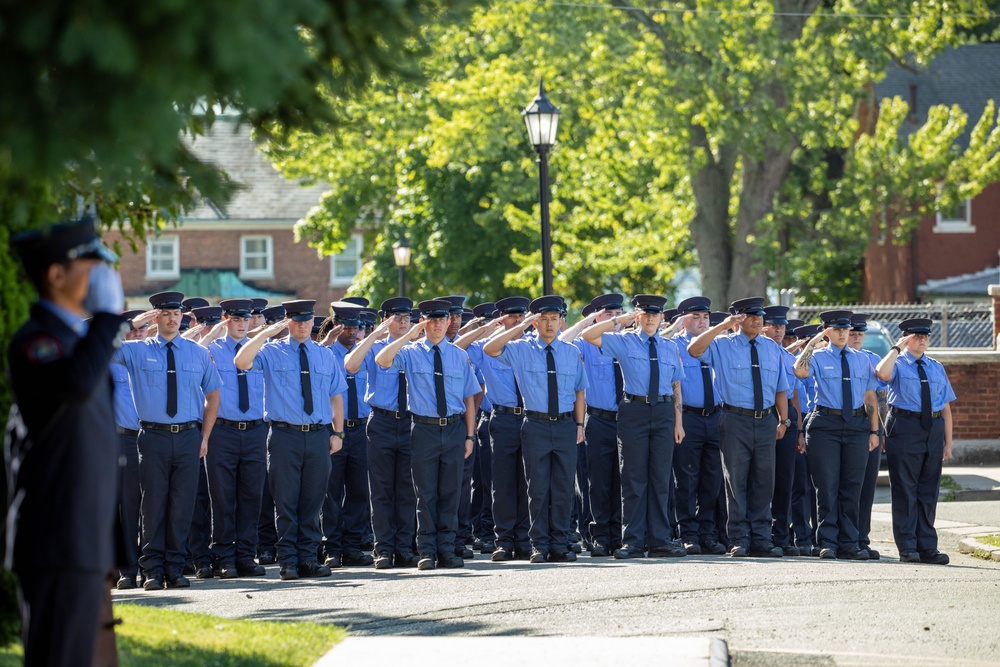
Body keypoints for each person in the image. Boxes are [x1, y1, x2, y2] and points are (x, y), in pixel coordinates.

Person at [6, 218, 126, 665]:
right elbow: (75, 385)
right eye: (91, 265)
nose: (103, 275)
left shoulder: (75, 342)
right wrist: (109, 321)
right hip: (57, 536)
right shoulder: (38, 341)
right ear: (57, 275)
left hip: (82, 537)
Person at [112, 291, 222, 589]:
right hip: (152, 437)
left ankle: (175, 568)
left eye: (177, 314)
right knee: (153, 505)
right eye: (165, 314)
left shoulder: (197, 352)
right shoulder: (135, 350)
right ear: (155, 317)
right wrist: (134, 321)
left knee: (181, 505)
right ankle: (152, 570)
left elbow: (213, 395)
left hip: (188, 436)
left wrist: (205, 437)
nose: (172, 319)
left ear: (182, 317)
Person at [235, 300, 346, 580]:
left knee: (312, 501)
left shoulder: (324, 355)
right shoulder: (271, 351)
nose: (302, 325)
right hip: (284, 435)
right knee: (285, 502)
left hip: (319, 435)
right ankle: (288, 561)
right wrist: (264, 333)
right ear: (287, 322)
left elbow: (336, 395)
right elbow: (241, 361)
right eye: (296, 320)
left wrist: (338, 432)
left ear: (313, 322)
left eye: (306, 320)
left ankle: (308, 558)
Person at [375, 299, 479, 570]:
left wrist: (469, 436)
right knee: (425, 493)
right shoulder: (410, 352)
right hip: (424, 428)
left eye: (441, 320)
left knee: (450, 492)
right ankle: (426, 551)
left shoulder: (458, 354)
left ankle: (446, 549)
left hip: (454, 428)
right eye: (430, 321)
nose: (436, 325)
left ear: (447, 322)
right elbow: (382, 360)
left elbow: (469, 397)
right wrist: (409, 336)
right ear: (424, 323)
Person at [484, 295, 588, 564]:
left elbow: (579, 391)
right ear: (535, 322)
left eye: (554, 319)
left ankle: (560, 543)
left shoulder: (570, 351)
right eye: (544, 319)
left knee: (564, 488)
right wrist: (521, 326)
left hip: (565, 424)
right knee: (538, 488)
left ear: (562, 321)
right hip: (536, 425)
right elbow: (490, 349)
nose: (550, 324)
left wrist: (579, 425)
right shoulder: (521, 348)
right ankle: (539, 545)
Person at [581, 294, 685, 559]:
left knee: (660, 479)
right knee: (634, 478)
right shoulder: (624, 340)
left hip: (663, 411)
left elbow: (676, 386)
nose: (650, 319)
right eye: (645, 314)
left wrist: (679, 422)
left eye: (655, 314)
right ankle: (633, 541)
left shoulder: (670, 347)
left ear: (662, 318)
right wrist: (619, 319)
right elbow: (589, 336)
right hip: (634, 410)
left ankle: (660, 540)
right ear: (638, 316)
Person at [688, 297, 789, 558]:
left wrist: (783, 420)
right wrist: (721, 327)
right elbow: (694, 350)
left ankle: (762, 538)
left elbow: (780, 387)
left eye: (760, 317)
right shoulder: (723, 344)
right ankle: (740, 538)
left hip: (766, 420)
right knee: (736, 481)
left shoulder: (771, 347)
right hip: (735, 419)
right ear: (739, 319)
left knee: (764, 481)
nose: (757, 320)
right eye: (751, 316)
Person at [794, 310, 879, 560]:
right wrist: (811, 342)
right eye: (837, 329)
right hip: (825, 424)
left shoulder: (862, 359)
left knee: (852, 486)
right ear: (827, 331)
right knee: (826, 486)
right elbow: (799, 371)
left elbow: (869, 396)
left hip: (856, 425)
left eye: (846, 329)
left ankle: (850, 542)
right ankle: (827, 542)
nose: (843, 333)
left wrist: (874, 430)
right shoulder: (818, 356)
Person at [345, 297, 419, 569]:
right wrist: (375, 334)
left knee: (407, 490)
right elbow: (350, 367)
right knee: (381, 490)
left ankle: (404, 547)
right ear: (385, 320)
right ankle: (384, 549)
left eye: (406, 318)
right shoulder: (374, 347)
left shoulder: (417, 350)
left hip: (411, 421)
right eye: (396, 318)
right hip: (382, 423)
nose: (402, 323)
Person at [876, 318, 956, 565]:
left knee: (928, 490)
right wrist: (895, 348)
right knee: (905, 489)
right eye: (916, 336)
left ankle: (927, 547)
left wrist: (948, 442)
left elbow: (945, 407)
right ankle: (908, 546)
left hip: (933, 429)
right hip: (905, 426)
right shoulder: (898, 363)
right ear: (905, 339)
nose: (922, 340)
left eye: (925, 336)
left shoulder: (936, 366)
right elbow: (882, 374)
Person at [201, 298, 268, 578]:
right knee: (222, 497)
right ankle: (223, 556)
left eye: (246, 320)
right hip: (223, 431)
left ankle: (245, 556)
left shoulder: (261, 350)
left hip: (255, 430)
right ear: (226, 319)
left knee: (252, 496)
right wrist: (215, 330)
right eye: (236, 320)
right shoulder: (212, 349)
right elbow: (191, 352)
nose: (242, 325)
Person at [462, 296, 533, 561]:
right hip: (502, 419)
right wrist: (486, 328)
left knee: (527, 481)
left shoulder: (532, 346)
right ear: (501, 319)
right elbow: (457, 347)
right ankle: (503, 539)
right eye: (511, 317)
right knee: (501, 483)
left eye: (521, 316)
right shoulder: (484, 348)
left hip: (529, 417)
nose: (518, 321)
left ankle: (524, 539)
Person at [561, 294, 625, 557]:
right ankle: (599, 536)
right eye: (609, 315)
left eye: (618, 314)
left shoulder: (625, 342)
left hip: (627, 421)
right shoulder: (586, 344)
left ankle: (619, 535)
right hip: (598, 419)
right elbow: (563, 341)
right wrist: (587, 322)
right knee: (597, 481)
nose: (615, 319)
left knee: (623, 481)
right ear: (597, 317)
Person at [669, 296, 727, 556]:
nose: (702, 322)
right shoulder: (674, 346)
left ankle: (708, 533)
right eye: (696, 317)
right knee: (686, 479)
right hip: (689, 418)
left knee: (712, 480)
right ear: (683, 321)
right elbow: (674, 387)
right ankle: (688, 534)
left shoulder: (717, 345)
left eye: (705, 317)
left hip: (715, 416)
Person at [322, 303, 375, 568]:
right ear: (337, 325)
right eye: (348, 327)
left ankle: (353, 545)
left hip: (362, 427)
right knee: (331, 491)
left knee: (358, 490)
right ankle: (332, 547)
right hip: (333, 431)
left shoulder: (364, 352)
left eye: (357, 327)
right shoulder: (326, 353)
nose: (354, 332)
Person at [762, 305, 804, 557]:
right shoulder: (756, 354)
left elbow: (795, 396)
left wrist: (794, 428)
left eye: (782, 327)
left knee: (785, 480)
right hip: (761, 413)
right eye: (774, 326)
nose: (779, 331)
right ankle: (760, 534)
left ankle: (781, 535)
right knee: (761, 480)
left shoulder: (789, 359)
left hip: (786, 418)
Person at [114, 309, 151, 590]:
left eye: (144, 329)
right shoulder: (112, 359)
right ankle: (127, 569)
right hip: (123, 440)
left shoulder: (154, 358)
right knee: (127, 507)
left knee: (153, 505)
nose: (139, 334)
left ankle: (154, 566)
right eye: (135, 329)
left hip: (154, 438)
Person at [849, 313, 888, 560]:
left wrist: (879, 431)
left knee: (866, 488)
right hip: (846, 425)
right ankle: (846, 538)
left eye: (860, 334)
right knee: (847, 486)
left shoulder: (874, 360)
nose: (856, 338)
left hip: (869, 428)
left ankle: (862, 538)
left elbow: (882, 399)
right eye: (852, 333)